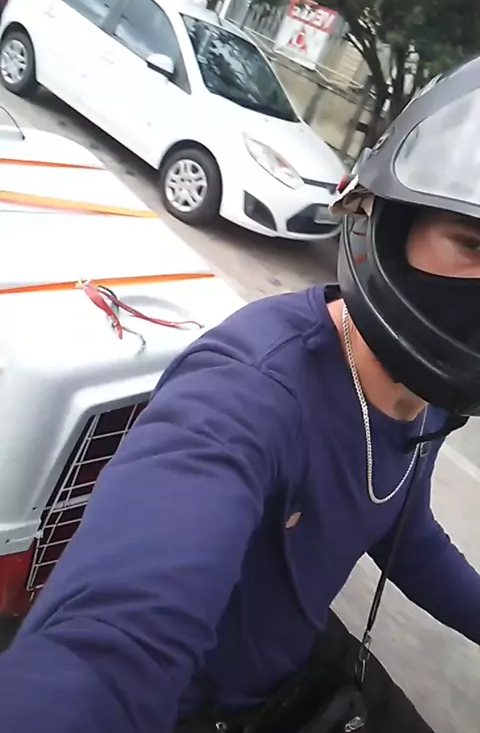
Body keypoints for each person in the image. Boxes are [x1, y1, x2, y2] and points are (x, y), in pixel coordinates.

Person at [1, 56, 480, 733]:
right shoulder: (248, 393)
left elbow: (407, 530)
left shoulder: (431, 399)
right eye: (471, 244)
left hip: (298, 668)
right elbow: (112, 647)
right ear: (392, 222)